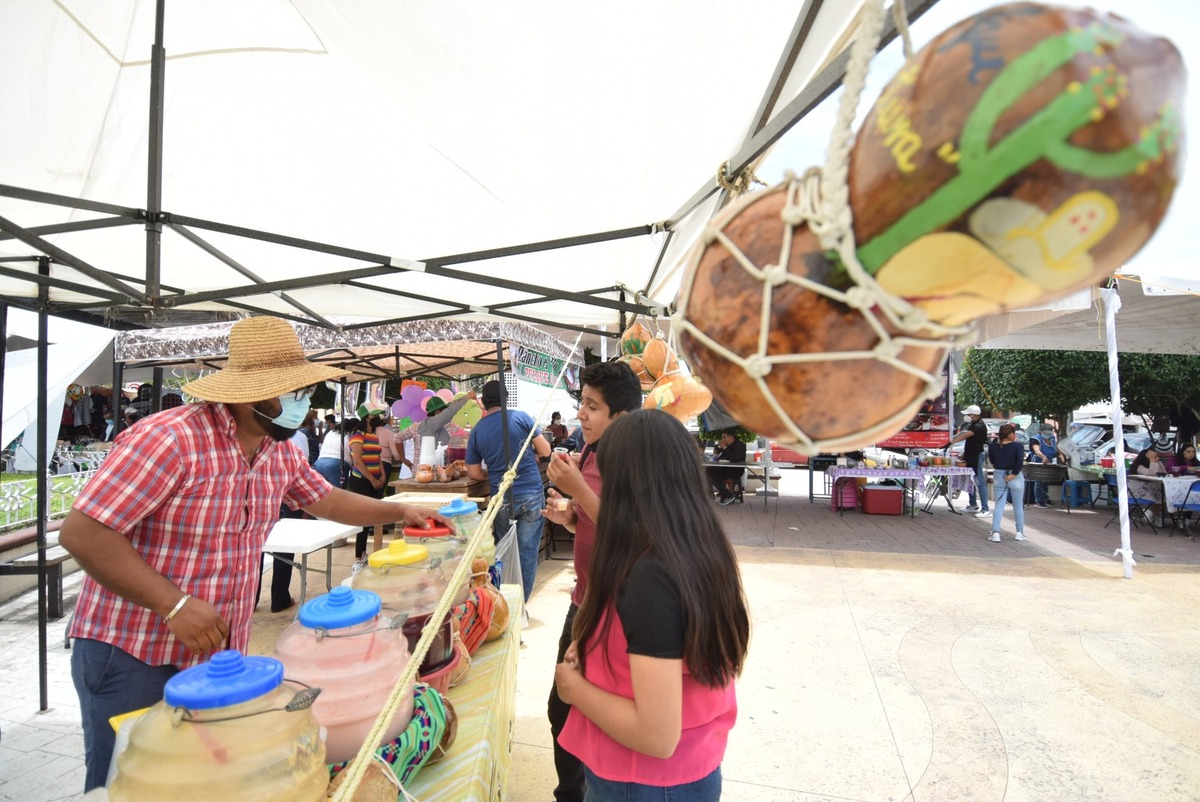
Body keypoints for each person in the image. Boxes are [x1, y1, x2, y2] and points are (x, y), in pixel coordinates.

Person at [59, 316, 454, 793]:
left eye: (304, 392)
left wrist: (398, 510)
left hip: (217, 657)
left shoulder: (276, 449)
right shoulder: (169, 440)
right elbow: (85, 533)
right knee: (133, 783)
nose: (303, 404)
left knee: (206, 783)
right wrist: (175, 604)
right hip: (134, 650)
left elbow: (325, 499)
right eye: (291, 394)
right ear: (248, 394)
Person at [555, 409, 751, 801]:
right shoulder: (695, 545)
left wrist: (574, 688)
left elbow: (657, 735)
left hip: (643, 783)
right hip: (685, 771)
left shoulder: (651, 574)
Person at [541, 360, 642, 802]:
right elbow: (592, 522)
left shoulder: (634, 463)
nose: (580, 414)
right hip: (582, 601)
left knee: (589, 711)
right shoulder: (590, 453)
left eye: (591, 406)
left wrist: (578, 490)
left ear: (620, 417)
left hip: (616, 607)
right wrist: (568, 516)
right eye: (581, 402)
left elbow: (632, 533)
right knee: (561, 710)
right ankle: (572, 793)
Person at [466, 380, 550, 602]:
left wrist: (492, 473)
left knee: (503, 552)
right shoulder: (521, 418)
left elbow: (474, 473)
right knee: (527, 552)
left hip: (501, 497)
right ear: (506, 399)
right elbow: (545, 449)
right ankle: (521, 605)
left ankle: (507, 603)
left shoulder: (477, 430)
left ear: (484, 403)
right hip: (531, 492)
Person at [348, 406, 387, 562]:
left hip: (375, 480)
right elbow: (357, 461)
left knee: (371, 518)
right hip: (361, 481)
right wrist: (372, 479)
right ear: (367, 418)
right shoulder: (357, 436)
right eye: (375, 415)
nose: (379, 417)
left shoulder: (373, 436)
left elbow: (378, 458)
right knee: (363, 520)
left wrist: (383, 475)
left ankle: (365, 553)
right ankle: (359, 556)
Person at [947, 405, 989, 518]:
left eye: (969, 415)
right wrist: (964, 455)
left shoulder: (979, 426)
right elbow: (971, 442)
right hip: (971, 455)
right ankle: (973, 504)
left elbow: (965, 435)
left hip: (977, 456)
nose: (967, 417)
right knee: (971, 480)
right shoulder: (974, 424)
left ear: (974, 415)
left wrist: (951, 442)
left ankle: (986, 509)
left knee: (979, 482)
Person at [986, 422, 1026, 543]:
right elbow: (1019, 462)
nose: (1015, 436)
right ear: (1010, 434)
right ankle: (1019, 533)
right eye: (1014, 433)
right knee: (1018, 506)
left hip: (999, 475)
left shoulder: (993, 446)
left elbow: (992, 460)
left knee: (999, 505)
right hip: (1015, 476)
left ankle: (996, 533)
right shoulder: (1018, 446)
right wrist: (1013, 474)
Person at [707, 429, 747, 505]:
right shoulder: (727, 445)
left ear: (731, 437)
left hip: (736, 469)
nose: (723, 439)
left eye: (724, 437)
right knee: (708, 471)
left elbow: (734, 458)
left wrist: (725, 447)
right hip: (726, 467)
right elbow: (719, 454)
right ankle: (715, 494)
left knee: (715, 475)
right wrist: (718, 448)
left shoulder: (740, 445)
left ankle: (728, 495)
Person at [1029, 424, 1059, 508]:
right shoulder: (1036, 439)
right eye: (1046, 433)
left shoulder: (1052, 438)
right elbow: (1036, 451)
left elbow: (1055, 449)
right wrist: (1043, 456)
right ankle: (1039, 501)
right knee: (1039, 482)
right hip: (1038, 462)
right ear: (1041, 432)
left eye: (1050, 433)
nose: (1048, 435)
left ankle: (1045, 498)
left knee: (1045, 481)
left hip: (1049, 463)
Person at [314, 419, 347, 487]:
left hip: (319, 463)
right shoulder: (348, 434)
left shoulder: (331, 432)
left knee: (322, 492)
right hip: (336, 465)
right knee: (337, 493)